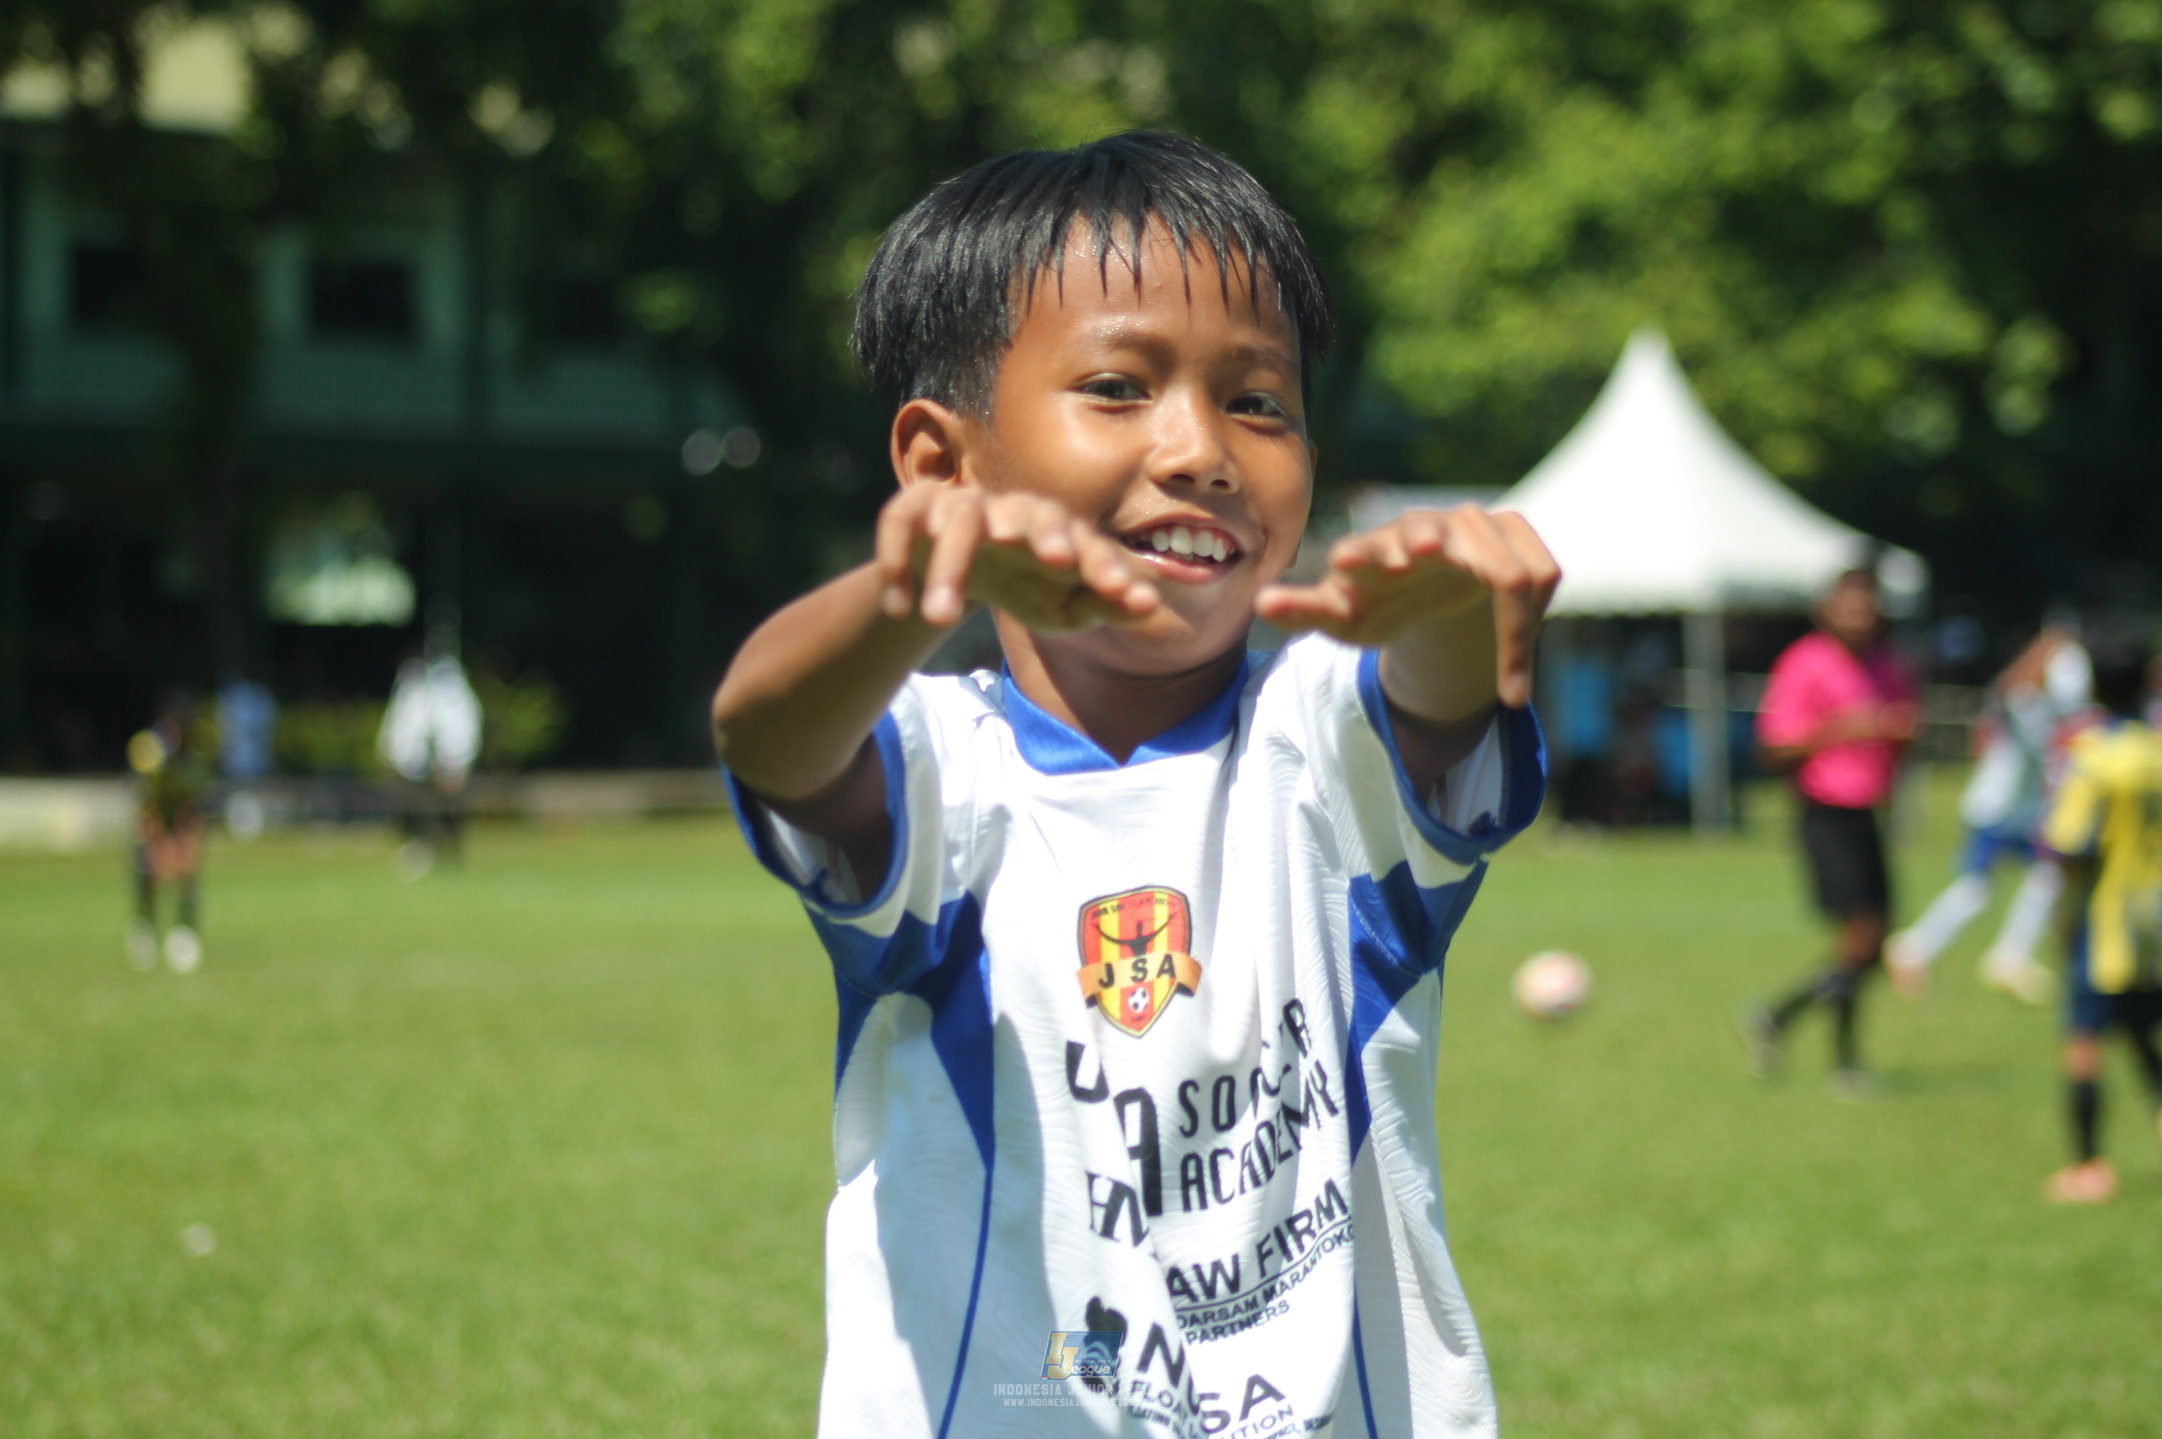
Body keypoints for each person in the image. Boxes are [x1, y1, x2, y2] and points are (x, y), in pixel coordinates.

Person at [710, 133, 1557, 1437]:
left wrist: (1446, 597)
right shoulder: (946, 772)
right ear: (944, 464)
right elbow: (769, 733)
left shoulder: (1318, 744)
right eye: (1116, 384)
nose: (1199, 448)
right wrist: (904, 589)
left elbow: (1439, 701)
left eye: (1258, 401)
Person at [1744, 568, 1918, 1093]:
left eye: (1868, 607)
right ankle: (1843, 1061)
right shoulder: (1805, 663)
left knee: (1872, 939)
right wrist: (1840, 729)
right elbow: (1773, 748)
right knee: (1860, 937)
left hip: (1869, 813)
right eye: (1849, 606)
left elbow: (1902, 734)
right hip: (1825, 812)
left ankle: (1778, 1017)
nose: (1860, 617)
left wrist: (1900, 734)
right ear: (1828, 610)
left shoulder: (1889, 665)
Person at [1886, 629, 2090, 1003]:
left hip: (2026, 812)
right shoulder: (2022, 700)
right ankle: (1911, 949)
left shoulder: (2042, 706)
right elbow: (2035, 735)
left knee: (2048, 878)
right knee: (1975, 890)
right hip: (1996, 810)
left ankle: (2010, 957)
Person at [2038, 636, 2162, 1204]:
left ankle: (2088, 1165)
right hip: (2154, 916)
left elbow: (2069, 844)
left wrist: (2064, 914)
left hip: (2107, 917)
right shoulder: (2157, 750)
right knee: (2140, 1028)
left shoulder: (2092, 757)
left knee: (2085, 1039)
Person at [377, 645, 481, 876]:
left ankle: (450, 854)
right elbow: (398, 733)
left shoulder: (455, 699)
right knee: (417, 813)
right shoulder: (410, 697)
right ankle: (423, 850)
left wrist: (454, 764)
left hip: (446, 767)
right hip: (413, 768)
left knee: (448, 815)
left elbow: (460, 734)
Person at [127, 694, 213, 973]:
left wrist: (183, 844)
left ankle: (185, 931)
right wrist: (155, 839)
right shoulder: (150, 749)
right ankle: (145, 928)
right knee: (146, 867)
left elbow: (193, 808)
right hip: (155, 817)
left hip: (181, 818)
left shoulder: (195, 757)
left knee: (187, 870)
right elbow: (146, 802)